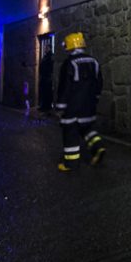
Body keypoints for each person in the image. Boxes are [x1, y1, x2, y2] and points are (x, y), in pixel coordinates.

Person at [55, 32, 106, 172]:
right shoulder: (93, 61)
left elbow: (65, 86)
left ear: (70, 46)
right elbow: (99, 83)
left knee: (70, 133)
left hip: (73, 106)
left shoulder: (69, 63)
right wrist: (95, 98)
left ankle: (71, 164)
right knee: (87, 128)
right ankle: (98, 146)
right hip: (89, 105)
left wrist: (60, 106)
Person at [37, 50, 55, 116]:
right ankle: (43, 106)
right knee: (43, 93)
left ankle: (46, 107)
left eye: (47, 48)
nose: (45, 49)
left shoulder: (50, 57)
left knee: (47, 93)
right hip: (44, 77)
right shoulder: (45, 57)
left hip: (47, 78)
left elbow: (50, 67)